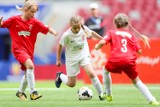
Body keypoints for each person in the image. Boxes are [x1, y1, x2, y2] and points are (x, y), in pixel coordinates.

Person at [95, 13, 159, 105]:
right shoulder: (131, 35)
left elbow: (102, 41)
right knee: (136, 81)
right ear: (127, 24)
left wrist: (97, 46)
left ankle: (108, 94)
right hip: (129, 61)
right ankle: (152, 99)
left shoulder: (111, 32)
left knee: (105, 71)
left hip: (115, 59)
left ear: (116, 24)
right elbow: (139, 51)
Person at [0, 0, 58, 101]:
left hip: (29, 51)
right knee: (30, 66)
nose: (33, 14)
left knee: (28, 73)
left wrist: (53, 31)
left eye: (35, 12)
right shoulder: (14, 20)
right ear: (25, 9)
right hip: (18, 49)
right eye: (32, 11)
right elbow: (2, 25)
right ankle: (33, 92)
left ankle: (20, 92)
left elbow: (45, 27)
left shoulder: (34, 22)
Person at [56, 15, 104, 100]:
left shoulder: (83, 29)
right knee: (71, 84)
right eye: (75, 28)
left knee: (91, 73)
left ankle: (101, 94)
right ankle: (60, 76)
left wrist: (102, 39)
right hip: (72, 59)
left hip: (83, 55)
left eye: (78, 27)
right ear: (70, 26)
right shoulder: (66, 35)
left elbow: (92, 33)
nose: (77, 30)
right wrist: (58, 59)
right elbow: (60, 46)